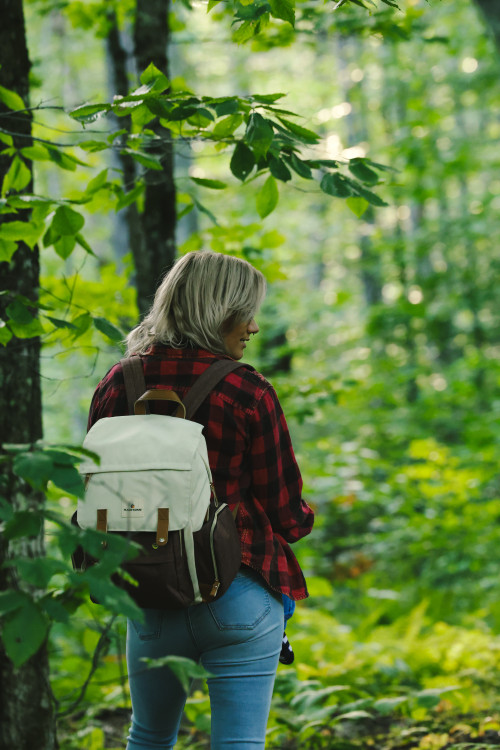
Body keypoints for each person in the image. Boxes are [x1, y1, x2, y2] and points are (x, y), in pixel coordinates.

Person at [87, 250, 314, 750]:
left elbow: (99, 489)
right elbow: (288, 516)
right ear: (219, 310)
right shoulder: (247, 388)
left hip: (149, 596)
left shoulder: (117, 383)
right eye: (246, 311)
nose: (254, 327)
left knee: (147, 737)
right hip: (237, 592)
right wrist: (301, 517)